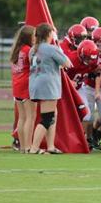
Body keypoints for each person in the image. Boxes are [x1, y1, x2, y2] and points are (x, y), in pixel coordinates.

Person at [28, 23, 72, 154]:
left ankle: (51, 146)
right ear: (48, 34)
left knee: (52, 115)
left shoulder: (33, 49)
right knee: (47, 118)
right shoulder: (51, 48)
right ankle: (34, 148)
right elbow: (67, 64)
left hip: (35, 83)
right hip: (48, 84)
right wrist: (59, 49)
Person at [10, 25, 36, 153]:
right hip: (26, 85)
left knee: (22, 117)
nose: (35, 38)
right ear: (28, 38)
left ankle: (22, 146)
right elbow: (35, 65)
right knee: (30, 117)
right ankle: (27, 146)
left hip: (17, 86)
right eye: (34, 36)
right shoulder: (28, 50)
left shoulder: (16, 49)